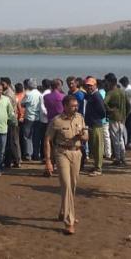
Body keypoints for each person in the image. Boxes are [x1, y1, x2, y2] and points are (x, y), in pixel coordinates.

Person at [44, 95, 88, 234]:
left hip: (77, 153)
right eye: (73, 106)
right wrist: (48, 161)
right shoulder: (56, 121)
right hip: (61, 153)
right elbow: (47, 141)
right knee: (66, 185)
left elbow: (86, 136)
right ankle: (69, 221)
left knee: (73, 185)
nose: (75, 107)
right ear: (65, 106)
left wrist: (82, 136)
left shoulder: (80, 118)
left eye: (76, 105)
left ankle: (64, 210)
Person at [104, 73, 130, 166]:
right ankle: (123, 157)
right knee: (121, 138)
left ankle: (118, 158)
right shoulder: (122, 91)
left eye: (107, 82)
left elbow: (104, 103)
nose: (106, 84)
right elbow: (129, 105)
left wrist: (110, 110)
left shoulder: (111, 92)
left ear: (110, 82)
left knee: (115, 139)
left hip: (114, 117)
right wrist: (125, 114)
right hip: (122, 118)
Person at [84, 77, 106, 176]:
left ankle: (98, 168)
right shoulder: (92, 95)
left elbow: (102, 111)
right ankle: (96, 165)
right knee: (93, 146)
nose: (89, 87)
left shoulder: (96, 96)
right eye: (87, 85)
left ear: (95, 85)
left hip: (96, 124)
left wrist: (95, 118)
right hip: (93, 124)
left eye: (90, 85)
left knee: (98, 147)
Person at [1, 77, 21, 168]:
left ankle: (14, 160)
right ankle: (13, 160)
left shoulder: (8, 95)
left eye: (3, 84)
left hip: (10, 120)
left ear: (8, 84)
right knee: (12, 141)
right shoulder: (9, 92)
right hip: (12, 119)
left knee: (11, 141)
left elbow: (7, 109)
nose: (1, 85)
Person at [21, 78, 43, 161]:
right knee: (36, 137)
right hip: (38, 118)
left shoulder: (28, 94)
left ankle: (28, 154)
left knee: (27, 137)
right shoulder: (40, 94)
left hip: (29, 117)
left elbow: (22, 104)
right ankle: (36, 154)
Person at [119, 76, 131, 149]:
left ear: (125, 82)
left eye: (122, 83)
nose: (122, 85)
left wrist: (126, 113)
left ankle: (129, 142)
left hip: (130, 110)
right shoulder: (130, 88)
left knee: (128, 127)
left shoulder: (128, 90)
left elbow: (127, 103)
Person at [98, 79, 112, 159]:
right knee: (106, 136)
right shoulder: (105, 92)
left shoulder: (100, 93)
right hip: (106, 117)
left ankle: (107, 153)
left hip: (102, 118)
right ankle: (107, 153)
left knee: (104, 136)